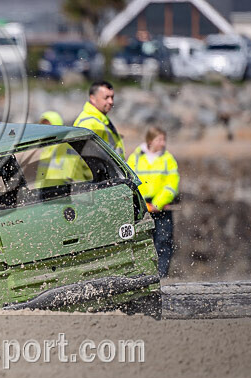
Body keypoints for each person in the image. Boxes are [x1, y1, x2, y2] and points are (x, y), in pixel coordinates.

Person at [127, 126, 180, 277]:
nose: (163, 143)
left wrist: (158, 203)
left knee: (163, 241)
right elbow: (130, 181)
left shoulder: (168, 158)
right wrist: (141, 204)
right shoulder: (135, 157)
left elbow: (172, 184)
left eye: (164, 140)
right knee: (141, 242)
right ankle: (144, 275)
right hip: (142, 207)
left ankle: (161, 275)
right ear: (150, 141)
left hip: (162, 206)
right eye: (159, 140)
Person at [73, 80, 125, 158]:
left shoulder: (102, 121)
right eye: (106, 97)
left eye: (112, 97)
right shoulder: (88, 123)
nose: (111, 101)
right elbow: (86, 160)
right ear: (92, 98)